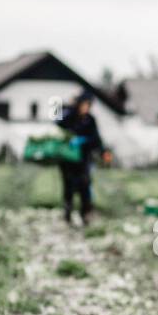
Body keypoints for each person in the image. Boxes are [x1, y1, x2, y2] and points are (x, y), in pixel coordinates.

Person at [56, 90, 106, 224]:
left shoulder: (90, 119)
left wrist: (102, 151)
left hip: (83, 159)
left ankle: (85, 214)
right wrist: (67, 105)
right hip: (67, 159)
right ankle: (67, 214)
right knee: (68, 186)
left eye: (88, 105)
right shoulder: (68, 116)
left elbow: (96, 139)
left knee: (84, 185)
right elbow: (56, 123)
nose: (86, 108)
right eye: (83, 104)